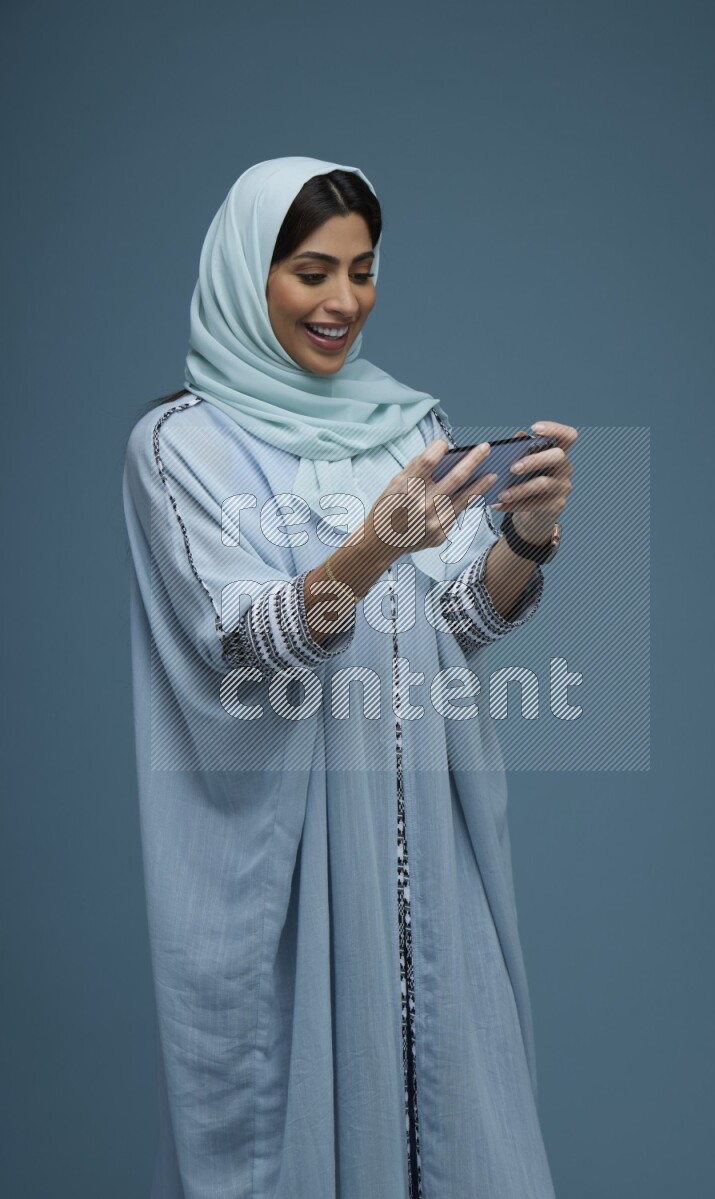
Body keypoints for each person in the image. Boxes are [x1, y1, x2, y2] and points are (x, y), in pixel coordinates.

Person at [122, 155, 576, 1199]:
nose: (342, 302)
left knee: (460, 1118)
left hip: (427, 843)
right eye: (310, 271)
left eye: (362, 272)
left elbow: (450, 618)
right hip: (284, 857)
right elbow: (245, 642)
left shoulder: (403, 427)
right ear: (250, 277)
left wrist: (527, 533)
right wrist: (372, 545)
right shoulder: (177, 446)